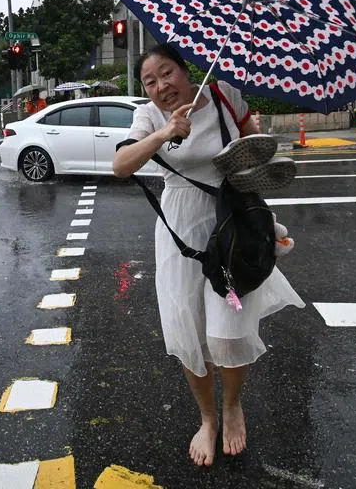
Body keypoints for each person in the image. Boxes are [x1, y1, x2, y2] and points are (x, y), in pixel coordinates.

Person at [113, 44, 304, 466]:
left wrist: (267, 229)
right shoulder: (148, 116)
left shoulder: (224, 96)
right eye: (150, 80)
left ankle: (232, 405)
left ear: (185, 71)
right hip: (180, 230)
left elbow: (254, 155)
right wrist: (165, 132)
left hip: (231, 223)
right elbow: (122, 165)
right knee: (191, 334)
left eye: (168, 73)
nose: (162, 85)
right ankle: (207, 418)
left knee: (228, 333)